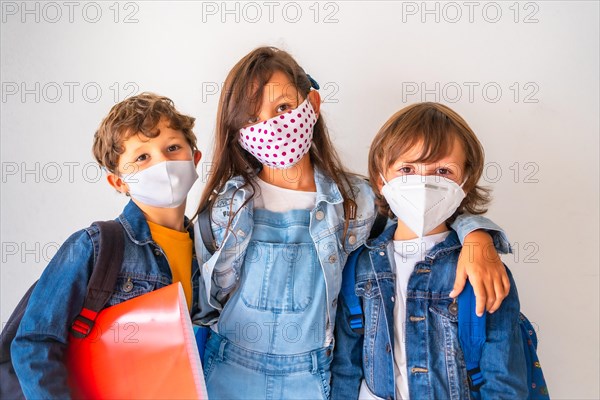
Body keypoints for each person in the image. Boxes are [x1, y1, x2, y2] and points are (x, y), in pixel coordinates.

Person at [193, 46, 512, 399]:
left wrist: (477, 234)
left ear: (311, 105)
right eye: (252, 119)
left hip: (315, 378)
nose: (271, 127)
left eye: (283, 108)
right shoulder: (226, 208)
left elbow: (421, 219)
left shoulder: (357, 201)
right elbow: (205, 309)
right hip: (228, 373)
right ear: (238, 131)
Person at [11, 93, 203, 399]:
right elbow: (33, 345)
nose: (163, 162)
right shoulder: (96, 247)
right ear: (119, 182)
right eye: (142, 157)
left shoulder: (212, 252)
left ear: (195, 159)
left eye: (173, 148)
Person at [331, 102, 527, 399]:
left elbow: (503, 382)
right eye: (407, 169)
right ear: (380, 177)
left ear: (466, 180)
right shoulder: (360, 267)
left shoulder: (481, 269)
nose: (422, 183)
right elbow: (346, 369)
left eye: (443, 171)